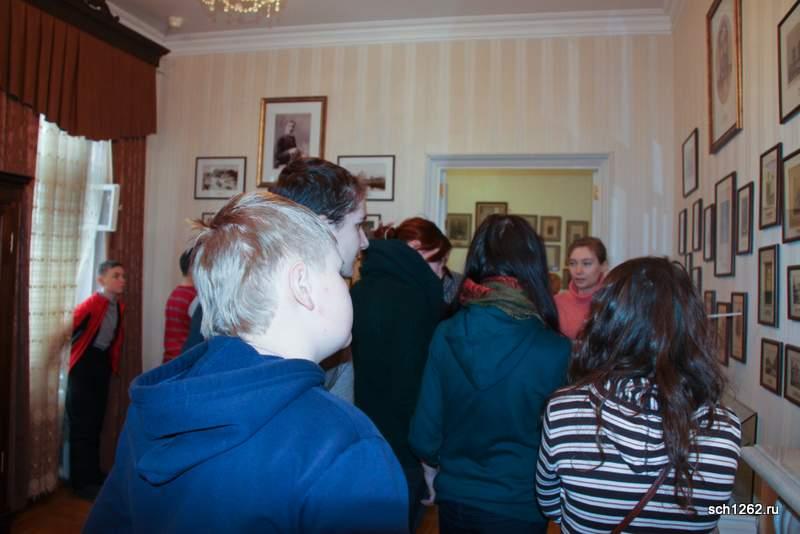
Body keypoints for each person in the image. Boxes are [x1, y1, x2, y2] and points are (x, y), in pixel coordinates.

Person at [85, 192, 408, 533]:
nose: (347, 286)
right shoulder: (345, 445)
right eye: (340, 275)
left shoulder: (153, 409)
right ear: (302, 286)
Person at [536, 257, 741, 533]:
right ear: (691, 326)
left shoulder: (564, 411)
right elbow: (716, 512)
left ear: (605, 322)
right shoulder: (725, 427)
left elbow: (550, 505)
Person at [409, 214, 570, 534]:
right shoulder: (556, 350)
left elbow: (424, 436)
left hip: (456, 500)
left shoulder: (446, 333)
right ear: (534, 267)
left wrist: (434, 468)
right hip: (521, 504)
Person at [182, 157, 369, 402]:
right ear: (324, 228)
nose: (364, 241)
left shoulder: (330, 321)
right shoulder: (236, 307)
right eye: (357, 225)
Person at [350, 217, 451, 532]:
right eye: (439, 262)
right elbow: (415, 389)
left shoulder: (357, 291)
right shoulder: (418, 301)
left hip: (359, 442)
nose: (441, 273)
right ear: (417, 249)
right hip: (404, 451)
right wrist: (428, 462)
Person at [62, 260, 126, 498]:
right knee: (82, 424)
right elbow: (69, 328)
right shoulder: (92, 303)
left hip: (100, 365)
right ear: (101, 280)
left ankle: (93, 474)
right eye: (116, 276)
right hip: (83, 367)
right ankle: (81, 482)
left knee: (96, 422)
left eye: (123, 276)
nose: (122, 280)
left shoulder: (118, 307)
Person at [554, 236, 608, 339]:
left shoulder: (614, 302)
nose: (578, 271)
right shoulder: (556, 303)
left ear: (603, 266)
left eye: (586, 263)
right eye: (572, 263)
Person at [162, 248, 197, 363]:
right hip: (184, 361)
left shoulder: (175, 293)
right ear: (192, 267)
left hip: (170, 359)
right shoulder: (194, 297)